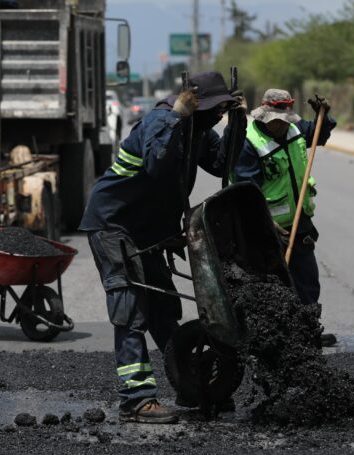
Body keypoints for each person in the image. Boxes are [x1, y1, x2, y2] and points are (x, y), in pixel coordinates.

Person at [79, 71, 244, 424]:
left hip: (149, 230)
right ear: (193, 104)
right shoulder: (160, 121)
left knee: (163, 310)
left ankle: (190, 384)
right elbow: (156, 164)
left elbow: (222, 164)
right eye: (214, 110)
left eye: (221, 111)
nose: (217, 116)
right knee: (130, 307)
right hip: (114, 225)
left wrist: (237, 124)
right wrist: (175, 118)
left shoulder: (200, 131)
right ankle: (135, 400)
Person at [231, 89, 337, 343]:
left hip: (300, 221)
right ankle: (273, 339)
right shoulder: (249, 142)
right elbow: (246, 190)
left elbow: (319, 133)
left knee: (306, 280)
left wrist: (325, 115)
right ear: (264, 114)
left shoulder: (295, 128)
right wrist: (265, 222)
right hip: (267, 226)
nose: (279, 125)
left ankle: (308, 332)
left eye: (283, 119)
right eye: (274, 120)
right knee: (272, 284)